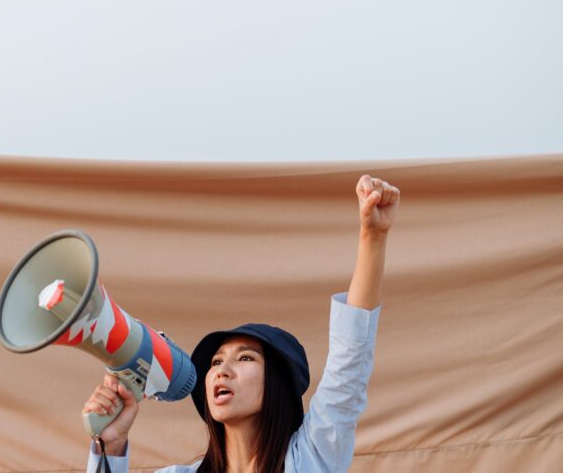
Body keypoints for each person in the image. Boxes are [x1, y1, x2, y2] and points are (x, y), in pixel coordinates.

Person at [84, 174, 400, 473]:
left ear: (277, 382)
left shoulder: (310, 458)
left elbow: (349, 363)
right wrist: (110, 445)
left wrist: (373, 236)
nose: (221, 370)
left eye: (245, 357)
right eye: (216, 361)